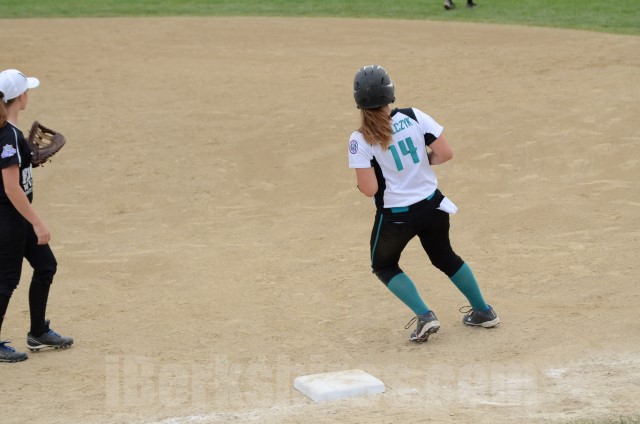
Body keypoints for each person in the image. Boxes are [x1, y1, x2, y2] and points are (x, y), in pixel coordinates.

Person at [348, 65, 499, 343]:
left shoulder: (360, 139)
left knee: (384, 265)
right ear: (390, 93)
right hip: (433, 206)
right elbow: (445, 153)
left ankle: (425, 315)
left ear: (358, 100)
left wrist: (362, 183)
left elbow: (370, 189)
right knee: (445, 257)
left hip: (396, 218)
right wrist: (420, 162)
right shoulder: (414, 116)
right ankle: (483, 311)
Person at [0, 69, 73, 363]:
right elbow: (10, 188)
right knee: (6, 280)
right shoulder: (8, 135)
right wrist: (37, 222)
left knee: (46, 266)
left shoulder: (12, 132)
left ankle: (38, 332)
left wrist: (28, 162)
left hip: (17, 217)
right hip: (9, 219)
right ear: (21, 97)